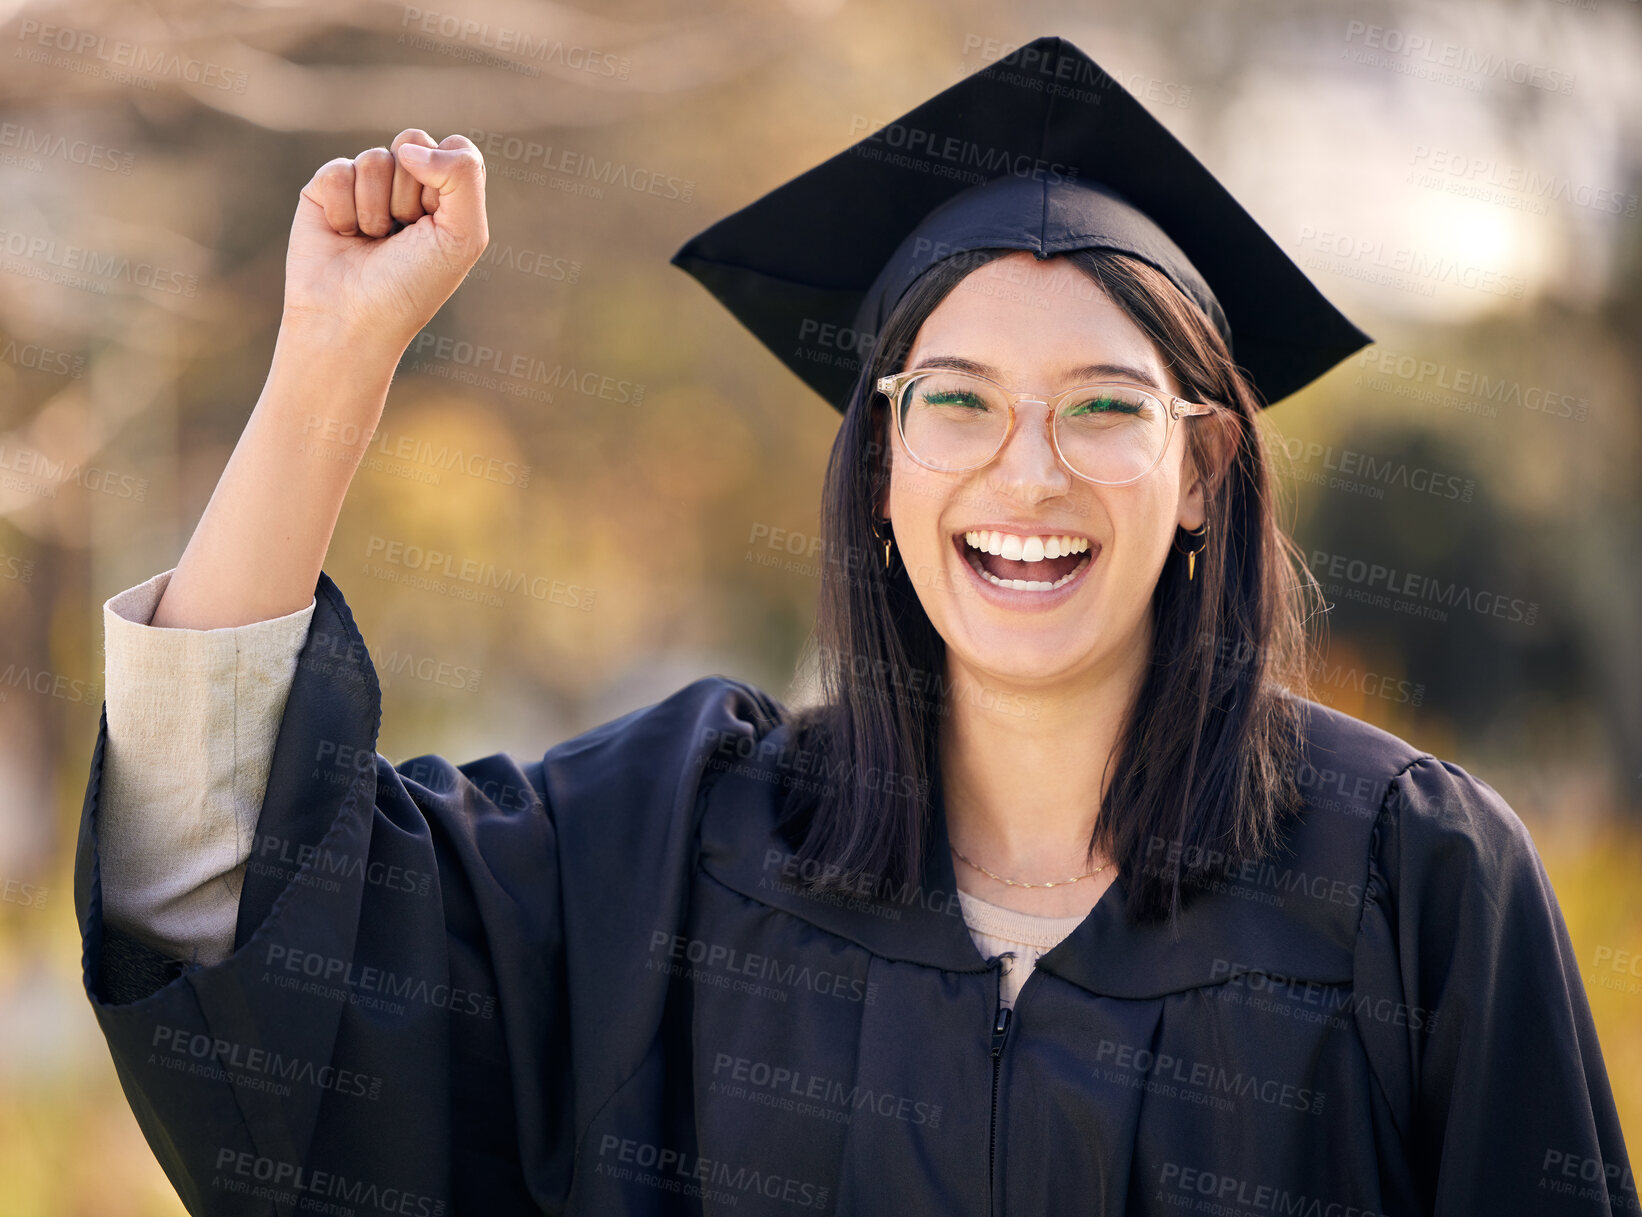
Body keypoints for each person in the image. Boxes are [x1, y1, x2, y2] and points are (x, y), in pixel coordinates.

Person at [76, 34, 1633, 1217]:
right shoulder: (670, 852)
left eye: (1102, 406)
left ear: (1200, 471)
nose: (1026, 468)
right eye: (954, 403)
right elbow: (220, 895)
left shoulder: (1410, 881)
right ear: (883, 464)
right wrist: (330, 361)